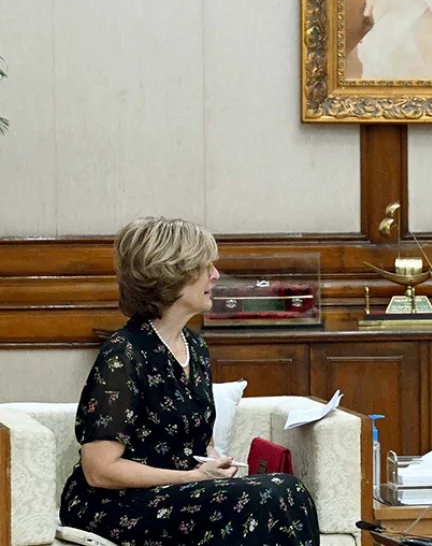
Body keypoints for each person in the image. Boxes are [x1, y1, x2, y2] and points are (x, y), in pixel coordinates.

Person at [60, 217, 321, 546]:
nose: (215, 274)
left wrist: (214, 463)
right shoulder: (124, 353)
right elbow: (99, 470)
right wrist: (192, 477)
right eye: (204, 266)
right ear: (171, 275)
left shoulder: (195, 347)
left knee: (289, 490)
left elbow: (198, 442)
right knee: (264, 497)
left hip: (181, 492)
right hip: (120, 504)